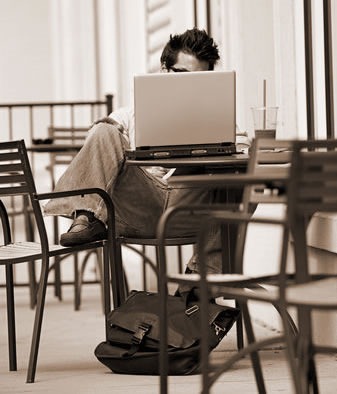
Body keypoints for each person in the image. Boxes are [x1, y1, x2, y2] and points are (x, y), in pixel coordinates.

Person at [44, 27, 245, 277]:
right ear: (164, 70)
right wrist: (116, 139)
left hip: (189, 207)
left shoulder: (217, 120)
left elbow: (243, 148)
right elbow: (99, 137)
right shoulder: (129, 114)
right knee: (104, 131)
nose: (188, 86)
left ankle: (199, 280)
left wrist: (212, 153)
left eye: (198, 80)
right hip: (139, 208)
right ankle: (86, 217)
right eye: (181, 75)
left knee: (241, 168)